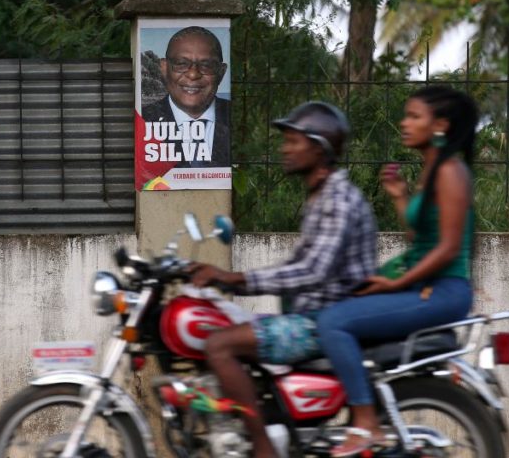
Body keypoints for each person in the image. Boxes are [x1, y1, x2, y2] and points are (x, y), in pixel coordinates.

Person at [187, 101, 377, 458]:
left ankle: (262, 447)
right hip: (312, 315)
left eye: (294, 141)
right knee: (223, 322)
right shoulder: (321, 195)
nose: (284, 148)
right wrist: (229, 283)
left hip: (322, 321)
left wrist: (236, 277)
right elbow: (302, 263)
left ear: (319, 149)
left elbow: (312, 271)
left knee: (219, 344)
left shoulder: (336, 198)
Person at [316, 85, 479, 457]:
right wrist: (400, 196)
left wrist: (397, 282)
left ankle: (365, 424)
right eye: (406, 115)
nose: (404, 123)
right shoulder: (432, 168)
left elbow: (448, 247)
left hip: (442, 292)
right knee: (332, 302)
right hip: (422, 285)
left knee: (334, 322)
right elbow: (421, 234)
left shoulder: (451, 171)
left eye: (414, 116)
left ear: (440, 125)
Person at [142, 26, 230, 167]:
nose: (193, 74)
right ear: (164, 69)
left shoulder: (236, 117)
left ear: (221, 72)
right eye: (181, 64)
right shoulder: (143, 120)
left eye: (206, 65)